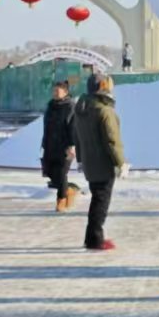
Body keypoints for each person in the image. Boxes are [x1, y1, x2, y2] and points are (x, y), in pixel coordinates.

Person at [73, 72, 127, 251]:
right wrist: (121, 163)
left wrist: (80, 159)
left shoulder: (81, 110)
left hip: (90, 162)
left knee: (97, 199)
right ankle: (95, 239)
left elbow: (78, 138)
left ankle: (92, 237)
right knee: (101, 202)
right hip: (103, 164)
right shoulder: (104, 111)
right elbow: (112, 141)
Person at [40, 80, 79, 211]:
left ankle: (61, 200)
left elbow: (73, 127)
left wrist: (72, 145)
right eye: (54, 91)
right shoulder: (50, 105)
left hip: (64, 146)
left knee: (62, 174)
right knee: (51, 173)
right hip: (50, 145)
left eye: (58, 91)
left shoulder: (70, 106)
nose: (55, 93)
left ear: (65, 92)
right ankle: (69, 190)